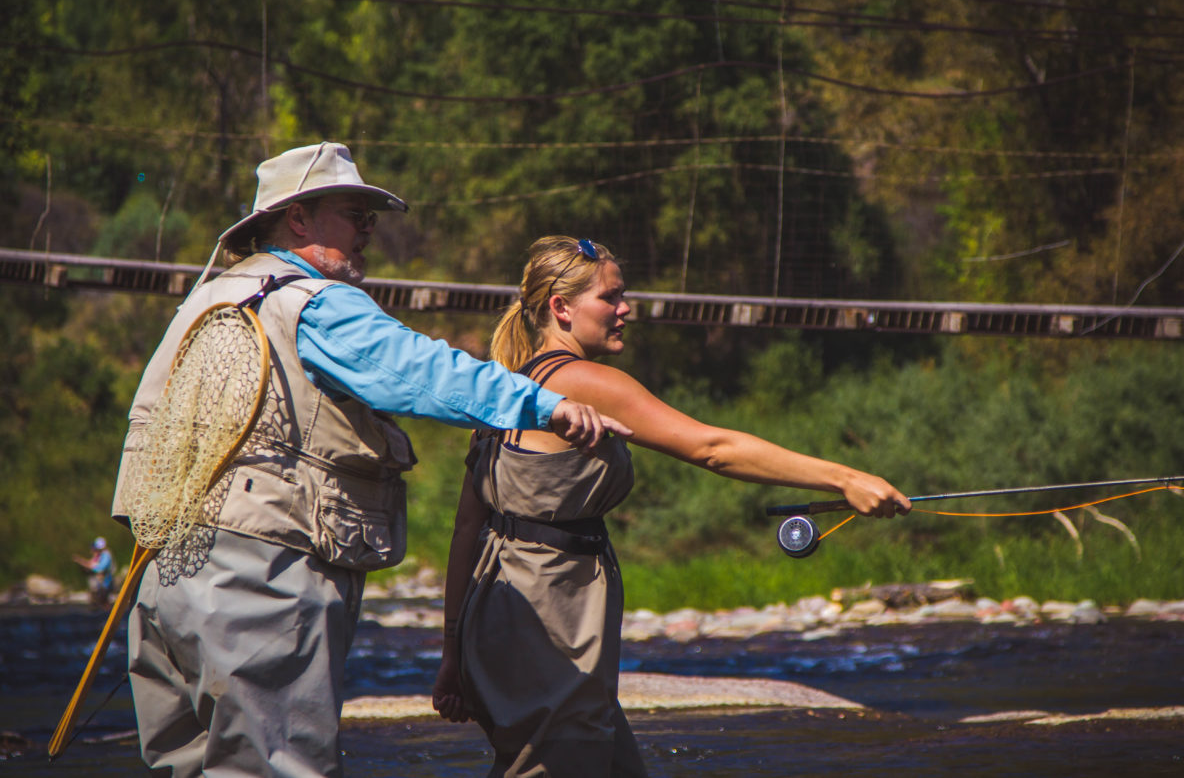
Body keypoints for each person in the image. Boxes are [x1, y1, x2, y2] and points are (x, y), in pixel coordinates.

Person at [110, 145, 628, 778]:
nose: (369, 232)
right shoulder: (313, 302)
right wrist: (545, 406)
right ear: (298, 219)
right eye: (355, 214)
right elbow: (419, 371)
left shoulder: (202, 300)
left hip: (165, 584)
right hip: (258, 582)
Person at [432, 235, 911, 777]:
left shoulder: (504, 385)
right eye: (610, 298)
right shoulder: (585, 382)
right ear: (560, 309)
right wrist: (844, 478)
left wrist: (454, 652)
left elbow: (467, 527)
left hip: (500, 612)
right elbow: (713, 449)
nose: (626, 309)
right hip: (551, 614)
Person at [72, 537, 115, 607]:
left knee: (104, 601)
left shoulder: (106, 555)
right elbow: (92, 564)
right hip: (101, 582)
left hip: (106, 582)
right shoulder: (102, 555)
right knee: (99, 600)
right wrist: (80, 561)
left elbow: (100, 567)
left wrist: (81, 561)